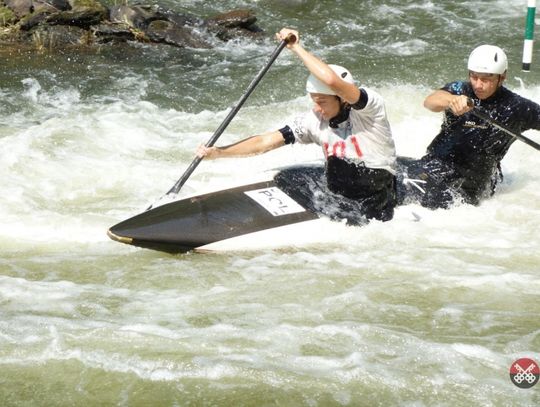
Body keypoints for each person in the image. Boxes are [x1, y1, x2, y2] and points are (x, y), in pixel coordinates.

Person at [197, 28, 398, 224]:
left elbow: (330, 80)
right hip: (339, 196)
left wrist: (296, 47)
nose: (317, 108)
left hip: (377, 198)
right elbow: (264, 142)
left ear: (343, 99)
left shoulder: (370, 110)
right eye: (314, 100)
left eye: (322, 101)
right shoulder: (313, 121)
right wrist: (219, 152)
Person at [399, 44, 540, 208]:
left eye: (486, 79)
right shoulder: (459, 90)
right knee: (382, 173)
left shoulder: (517, 107)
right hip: (434, 164)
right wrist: (451, 100)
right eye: (474, 77)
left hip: (472, 183)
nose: (478, 85)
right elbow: (430, 101)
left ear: (502, 77)